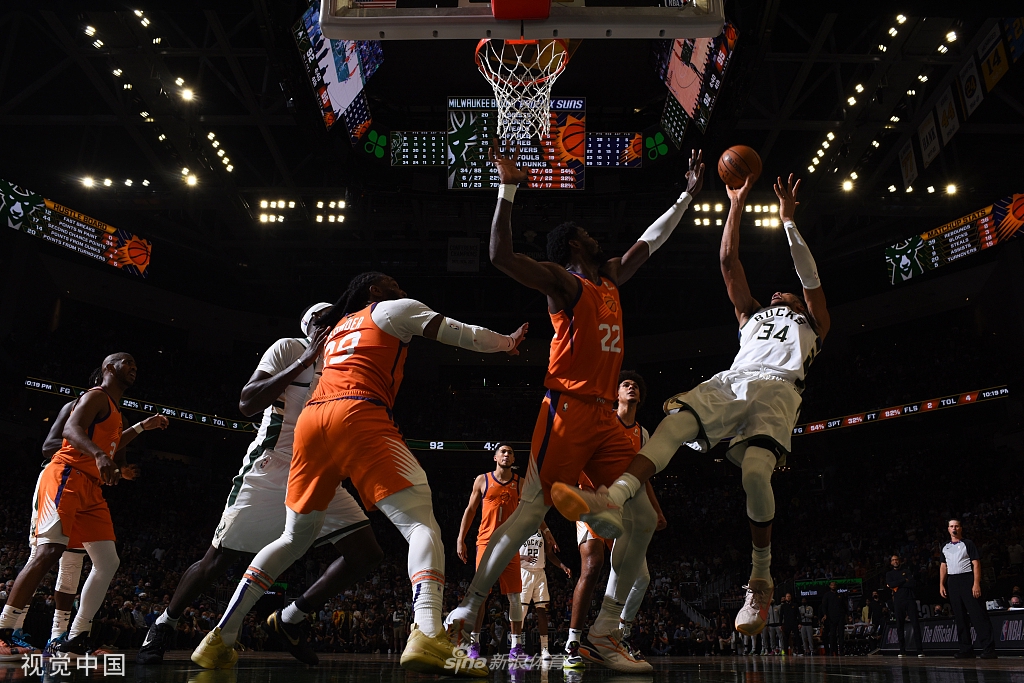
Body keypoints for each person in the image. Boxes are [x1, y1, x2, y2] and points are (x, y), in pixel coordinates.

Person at [444, 142, 704, 674]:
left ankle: (606, 632)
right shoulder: (565, 282)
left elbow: (647, 244)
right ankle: (471, 602)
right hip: (564, 410)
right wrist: (508, 187)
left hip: (605, 416)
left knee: (641, 522)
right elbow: (500, 257)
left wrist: (687, 195)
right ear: (572, 245)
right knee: (532, 510)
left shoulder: (609, 277)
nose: (596, 235)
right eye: (586, 233)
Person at [191, 273, 526, 675]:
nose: (403, 289)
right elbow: (465, 335)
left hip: (311, 425)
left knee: (293, 538)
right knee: (421, 526)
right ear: (374, 291)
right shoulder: (391, 310)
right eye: (393, 284)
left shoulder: (331, 334)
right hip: (357, 412)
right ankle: (428, 633)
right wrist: (507, 342)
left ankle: (220, 637)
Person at [553, 172, 830, 640]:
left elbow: (809, 275)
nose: (781, 293)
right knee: (674, 423)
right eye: (777, 295)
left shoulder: (816, 321)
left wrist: (787, 222)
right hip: (734, 379)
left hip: (779, 391)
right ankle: (612, 498)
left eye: (789, 295)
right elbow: (728, 259)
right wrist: (736, 203)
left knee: (755, 474)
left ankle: (759, 579)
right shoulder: (751, 314)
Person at [139, 304, 380, 666]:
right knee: (218, 559)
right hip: (273, 466)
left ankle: (290, 619)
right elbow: (247, 403)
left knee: (367, 554)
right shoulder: (288, 348)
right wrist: (306, 360)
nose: (332, 322)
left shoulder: (345, 363)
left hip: (320, 471)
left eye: (338, 317)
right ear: (308, 325)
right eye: (323, 318)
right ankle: (163, 624)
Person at [0, 354, 167, 658]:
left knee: (107, 561)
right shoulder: (95, 396)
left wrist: (143, 428)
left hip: (91, 488)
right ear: (108, 367)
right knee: (48, 552)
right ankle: (5, 629)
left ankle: (74, 635)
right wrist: (100, 456)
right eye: (126, 362)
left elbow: (115, 442)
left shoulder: (115, 412)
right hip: (66, 476)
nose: (133, 367)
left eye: (136, 364)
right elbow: (69, 432)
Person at [570, 372, 667, 668]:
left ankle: (614, 633)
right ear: (616, 395)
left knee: (643, 577)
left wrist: (656, 509)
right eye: (626, 384)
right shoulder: (602, 421)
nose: (632, 387)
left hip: (626, 507)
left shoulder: (643, 434)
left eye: (636, 385)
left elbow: (643, 476)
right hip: (593, 500)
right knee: (594, 564)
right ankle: (573, 641)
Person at [454, 444, 526, 661]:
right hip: (485, 543)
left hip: (510, 544)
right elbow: (470, 510)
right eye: (503, 451)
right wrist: (461, 538)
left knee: (515, 597)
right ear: (495, 457)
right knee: (480, 597)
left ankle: (516, 647)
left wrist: (547, 532)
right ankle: (474, 643)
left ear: (513, 459)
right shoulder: (482, 480)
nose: (506, 455)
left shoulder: (520, 483)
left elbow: (530, 512)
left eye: (510, 452)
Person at [940, 519, 996, 659]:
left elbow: (976, 563)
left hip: (967, 579)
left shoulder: (968, 543)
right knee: (959, 616)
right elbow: (943, 566)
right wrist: (941, 584)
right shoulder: (944, 547)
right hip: (952, 581)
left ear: (960, 528)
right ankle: (966, 649)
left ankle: (988, 649)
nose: (954, 528)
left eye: (956, 526)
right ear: (948, 529)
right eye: (951, 526)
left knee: (978, 614)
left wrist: (976, 583)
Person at [518, 527, 571, 660]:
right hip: (524, 572)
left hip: (540, 573)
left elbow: (549, 554)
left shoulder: (542, 531)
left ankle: (544, 649)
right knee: (521, 612)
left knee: (542, 611)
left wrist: (562, 566)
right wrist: (524, 557)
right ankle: (517, 646)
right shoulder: (519, 527)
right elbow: (509, 553)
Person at [886, 554, 924, 657]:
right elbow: (890, 584)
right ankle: (902, 650)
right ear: (891, 562)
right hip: (898, 601)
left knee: (915, 624)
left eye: (897, 560)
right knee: (899, 626)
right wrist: (903, 580)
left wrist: (897, 585)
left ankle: (920, 650)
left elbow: (912, 583)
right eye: (893, 560)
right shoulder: (889, 574)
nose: (895, 561)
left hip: (909, 599)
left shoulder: (906, 571)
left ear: (899, 561)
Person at [819, 581, 845, 655]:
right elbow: (824, 606)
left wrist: (847, 615)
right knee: (832, 634)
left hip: (840, 616)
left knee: (841, 634)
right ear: (830, 586)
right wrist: (825, 614)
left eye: (834, 585)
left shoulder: (840, 595)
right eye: (832, 585)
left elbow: (844, 606)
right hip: (831, 617)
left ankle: (842, 651)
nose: (833, 586)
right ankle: (832, 651)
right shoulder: (827, 595)